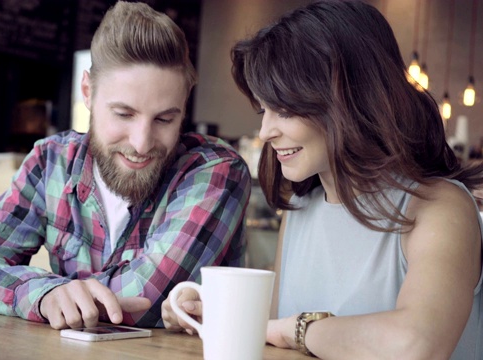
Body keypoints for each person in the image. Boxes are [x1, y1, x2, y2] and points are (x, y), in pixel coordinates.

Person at [162, 1, 483, 359]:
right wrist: (203, 309)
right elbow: (269, 330)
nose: (266, 131)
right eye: (263, 109)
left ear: (349, 99)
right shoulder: (301, 210)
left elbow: (416, 344)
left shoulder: (440, 208)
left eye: (284, 108)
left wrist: (297, 328)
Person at [0, 1, 251, 330]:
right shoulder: (51, 161)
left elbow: (146, 300)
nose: (141, 143)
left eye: (165, 119)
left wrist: (64, 298)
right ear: (87, 92)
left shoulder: (216, 171)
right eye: (123, 114)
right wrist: (44, 293)